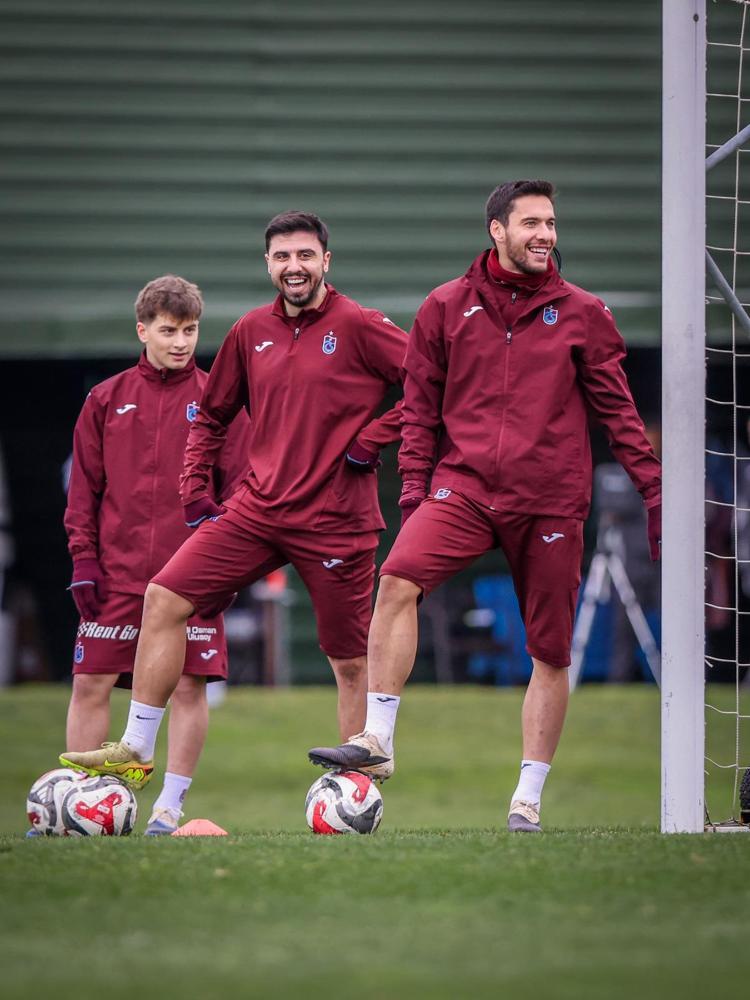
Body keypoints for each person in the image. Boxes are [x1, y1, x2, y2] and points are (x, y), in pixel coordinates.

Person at [308, 180, 662, 832]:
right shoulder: (444, 306)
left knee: (550, 653)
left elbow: (620, 418)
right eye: (531, 223)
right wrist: (414, 495)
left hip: (551, 501)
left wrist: (656, 494)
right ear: (497, 230)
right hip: (464, 488)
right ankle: (377, 738)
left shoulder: (584, 313)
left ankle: (527, 800)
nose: (545, 234)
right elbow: (419, 411)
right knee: (397, 579)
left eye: (550, 223)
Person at [60, 211, 408, 790]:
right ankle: (137, 747)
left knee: (349, 660)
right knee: (164, 597)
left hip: (336, 519)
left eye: (305, 255)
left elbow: (433, 386)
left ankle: (355, 786)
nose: (294, 266)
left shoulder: (361, 324)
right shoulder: (250, 331)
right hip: (258, 510)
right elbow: (212, 416)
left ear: (326, 261)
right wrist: (194, 489)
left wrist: (372, 439)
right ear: (268, 264)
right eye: (282, 256)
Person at [55, 275, 249, 835]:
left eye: (190, 330)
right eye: (168, 331)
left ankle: (168, 809)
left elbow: (241, 490)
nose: (181, 342)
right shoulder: (105, 398)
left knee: (188, 687)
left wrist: (227, 569)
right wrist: (83, 561)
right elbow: (83, 491)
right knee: (90, 683)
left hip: (190, 578)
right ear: (143, 331)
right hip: (115, 575)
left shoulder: (219, 401)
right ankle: (78, 807)